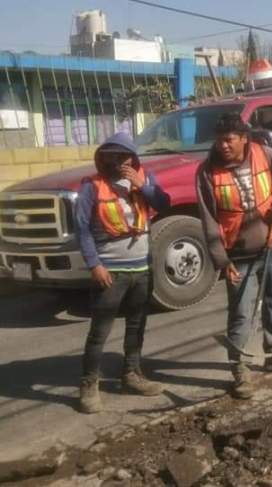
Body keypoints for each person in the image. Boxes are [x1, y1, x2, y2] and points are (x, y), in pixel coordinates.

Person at [196, 113, 272, 399]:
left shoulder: (264, 154)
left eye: (229, 139)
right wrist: (221, 260)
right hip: (237, 255)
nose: (223, 145)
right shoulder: (207, 172)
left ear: (244, 138)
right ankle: (239, 367)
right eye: (219, 140)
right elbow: (208, 220)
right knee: (241, 312)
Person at [76, 132, 170, 414]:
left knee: (136, 325)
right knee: (100, 331)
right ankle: (89, 385)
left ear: (133, 157)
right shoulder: (92, 186)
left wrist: (143, 186)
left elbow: (163, 204)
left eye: (123, 156)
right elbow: (81, 229)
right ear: (102, 157)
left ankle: (131, 375)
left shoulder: (145, 178)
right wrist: (95, 265)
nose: (117, 161)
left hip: (141, 268)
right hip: (110, 271)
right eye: (111, 155)